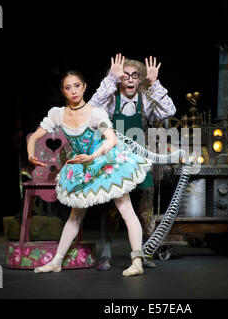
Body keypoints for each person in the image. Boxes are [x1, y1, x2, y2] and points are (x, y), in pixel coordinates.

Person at [27, 70, 152, 276]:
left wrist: (92, 157)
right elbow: (33, 137)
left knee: (125, 209)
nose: (73, 91)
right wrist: (31, 154)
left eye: (77, 86)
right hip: (81, 165)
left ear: (84, 87)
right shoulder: (57, 114)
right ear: (63, 91)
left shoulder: (96, 113)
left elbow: (111, 140)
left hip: (104, 159)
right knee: (75, 216)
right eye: (68, 87)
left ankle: (137, 261)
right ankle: (57, 261)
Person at [89, 53, 176, 270]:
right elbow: (90, 110)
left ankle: (144, 253)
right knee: (111, 210)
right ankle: (106, 254)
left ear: (140, 79)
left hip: (139, 162)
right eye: (125, 75)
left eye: (135, 75)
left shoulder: (145, 100)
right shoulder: (111, 99)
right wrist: (110, 78)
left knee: (145, 208)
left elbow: (170, 110)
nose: (129, 79)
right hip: (114, 162)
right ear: (120, 79)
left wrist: (155, 83)